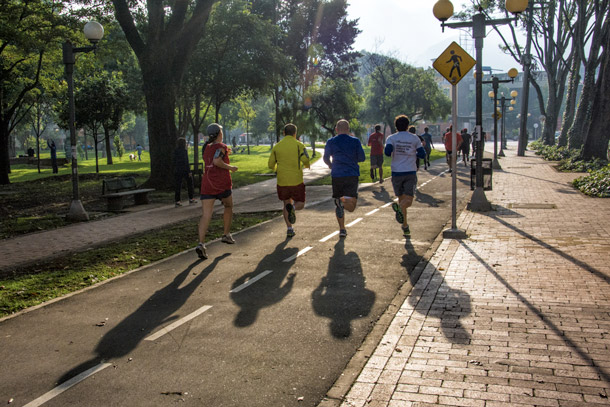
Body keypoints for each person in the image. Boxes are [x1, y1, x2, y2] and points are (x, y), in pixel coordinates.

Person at [195, 123, 238, 260]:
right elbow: (216, 161)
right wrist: (230, 168)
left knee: (206, 215)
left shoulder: (206, 147)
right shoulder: (221, 147)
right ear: (219, 134)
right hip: (221, 184)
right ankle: (226, 234)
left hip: (207, 184)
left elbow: (210, 160)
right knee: (229, 206)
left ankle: (201, 244)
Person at [384, 115, 426, 237]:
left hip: (396, 172)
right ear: (408, 126)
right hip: (410, 172)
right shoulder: (414, 139)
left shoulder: (391, 138)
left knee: (402, 198)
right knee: (409, 200)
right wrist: (414, 151)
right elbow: (422, 154)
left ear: (396, 126)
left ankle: (405, 226)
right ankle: (399, 208)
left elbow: (387, 152)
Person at [323, 119, 365, 238]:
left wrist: (331, 165)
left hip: (337, 175)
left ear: (336, 129)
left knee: (339, 201)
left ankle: (342, 229)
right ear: (348, 129)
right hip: (351, 174)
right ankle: (342, 203)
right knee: (351, 205)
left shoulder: (331, 141)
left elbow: (326, 158)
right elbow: (362, 157)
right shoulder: (355, 141)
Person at [268, 123, 310, 238]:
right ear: (295, 133)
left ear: (284, 133)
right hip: (296, 180)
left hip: (282, 181)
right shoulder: (299, 145)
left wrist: (277, 169)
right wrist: (306, 165)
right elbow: (305, 158)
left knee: (286, 203)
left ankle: (289, 228)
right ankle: (294, 208)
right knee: (300, 203)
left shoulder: (277, 146)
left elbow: (270, 164)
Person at [174, 137, 196, 207]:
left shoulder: (175, 151)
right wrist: (189, 171)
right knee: (190, 183)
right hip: (185, 170)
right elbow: (186, 162)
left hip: (178, 170)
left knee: (178, 185)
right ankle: (191, 198)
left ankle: (177, 201)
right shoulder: (184, 151)